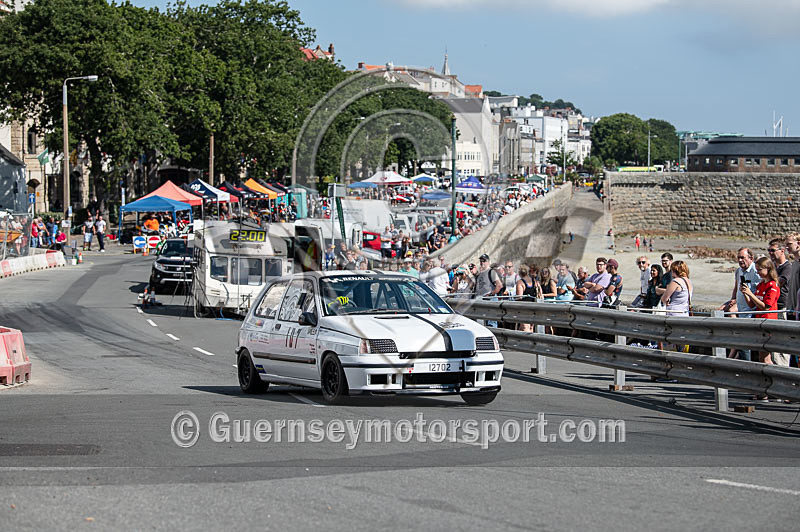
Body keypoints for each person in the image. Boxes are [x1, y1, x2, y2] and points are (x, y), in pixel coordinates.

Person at [719, 247, 760, 361]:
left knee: (745, 345)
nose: (740, 260)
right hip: (741, 310)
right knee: (741, 343)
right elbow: (737, 287)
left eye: (743, 257)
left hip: (751, 312)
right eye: (738, 258)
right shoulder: (739, 271)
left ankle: (746, 368)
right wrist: (732, 300)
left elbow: (758, 292)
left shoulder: (756, 271)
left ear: (751, 258)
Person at [739, 256, 781, 368]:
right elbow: (752, 304)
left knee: (766, 356)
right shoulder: (761, 285)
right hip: (759, 321)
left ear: (768, 269)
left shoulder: (772, 286)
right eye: (756, 270)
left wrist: (750, 294)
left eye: (760, 270)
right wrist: (745, 293)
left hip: (768, 321)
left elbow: (766, 307)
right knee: (761, 355)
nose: (757, 273)